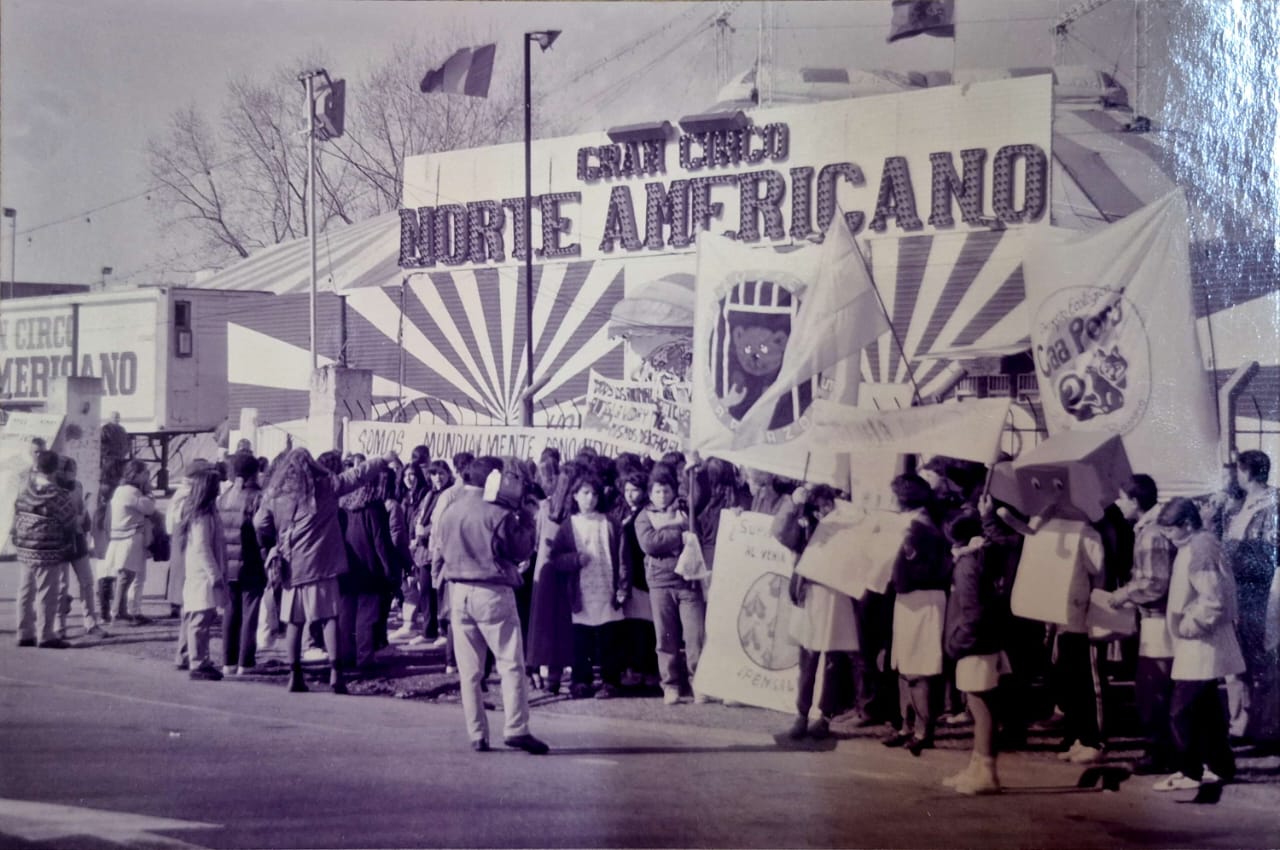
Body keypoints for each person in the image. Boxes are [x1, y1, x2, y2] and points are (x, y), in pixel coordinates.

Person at [432, 456, 548, 754]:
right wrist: (527, 519)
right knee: (510, 662)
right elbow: (520, 549)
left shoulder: (449, 510)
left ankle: (477, 734)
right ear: (494, 480)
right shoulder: (497, 512)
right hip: (492, 590)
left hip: (458, 591)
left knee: (470, 670)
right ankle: (516, 728)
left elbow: (440, 550)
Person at [254, 448, 390, 694]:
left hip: (291, 565)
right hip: (322, 564)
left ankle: (294, 675)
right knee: (329, 618)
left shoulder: (275, 494)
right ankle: (336, 673)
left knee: (294, 622)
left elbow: (259, 523)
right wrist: (382, 460)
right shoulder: (325, 488)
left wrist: (277, 535)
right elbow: (356, 476)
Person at [1153, 497, 1245, 791]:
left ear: (1187, 524)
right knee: (1206, 711)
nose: (1167, 537)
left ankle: (1189, 771)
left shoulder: (1199, 548)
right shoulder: (1197, 545)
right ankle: (1220, 766)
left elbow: (1213, 600)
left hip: (1201, 641)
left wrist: (1188, 625)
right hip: (1202, 642)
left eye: (1170, 531)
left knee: (1181, 711)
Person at [1100, 474, 1176, 774]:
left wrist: (1122, 595)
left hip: (1158, 621)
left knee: (1153, 689)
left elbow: (1155, 582)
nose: (1119, 504)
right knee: (1154, 688)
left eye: (1122, 498)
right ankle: (1163, 750)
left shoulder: (1152, 533)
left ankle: (1160, 753)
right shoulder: (1150, 529)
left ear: (1134, 500)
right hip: (1157, 619)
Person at [774, 484, 856, 740]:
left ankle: (825, 717)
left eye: (827, 505)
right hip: (808, 594)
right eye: (818, 507)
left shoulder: (847, 527)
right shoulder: (804, 524)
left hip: (836, 595)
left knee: (833, 661)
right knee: (807, 659)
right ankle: (801, 714)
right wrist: (793, 503)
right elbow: (779, 532)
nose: (823, 512)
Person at [883, 473, 952, 757]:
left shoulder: (918, 526)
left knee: (919, 669)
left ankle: (924, 731)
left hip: (923, 600)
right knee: (904, 664)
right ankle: (906, 726)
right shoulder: (913, 523)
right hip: (909, 599)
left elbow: (919, 563)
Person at [942, 510, 1007, 794]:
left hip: (974, 643)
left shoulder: (967, 565)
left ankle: (987, 772)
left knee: (981, 708)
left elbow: (972, 612)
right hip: (982, 641)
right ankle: (977, 766)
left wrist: (957, 642)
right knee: (979, 705)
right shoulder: (975, 559)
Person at [546, 473, 628, 699]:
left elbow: (622, 556)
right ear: (574, 496)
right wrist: (575, 560)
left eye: (594, 494)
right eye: (585, 493)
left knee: (608, 636)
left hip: (606, 588)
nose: (590, 498)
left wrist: (622, 586)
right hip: (581, 591)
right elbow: (556, 557)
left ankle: (610, 681)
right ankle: (581, 681)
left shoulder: (609, 522)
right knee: (581, 638)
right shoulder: (568, 525)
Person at [1220, 450, 1279, 750]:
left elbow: (1268, 553)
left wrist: (1235, 553)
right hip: (1238, 591)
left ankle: (1266, 726)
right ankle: (1240, 722)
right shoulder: (1239, 506)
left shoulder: (1273, 504)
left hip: (1258, 592)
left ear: (1245, 472)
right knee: (1235, 659)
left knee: (1260, 660)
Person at [635, 470, 705, 705]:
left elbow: (697, 533)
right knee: (666, 637)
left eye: (666, 490)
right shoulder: (644, 516)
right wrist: (678, 533)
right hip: (660, 582)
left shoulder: (686, 511)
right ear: (650, 494)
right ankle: (671, 684)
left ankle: (700, 681)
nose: (663, 495)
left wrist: (693, 471)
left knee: (695, 636)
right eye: (657, 491)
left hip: (688, 580)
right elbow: (650, 543)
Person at [12, 450, 79, 648]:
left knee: (25, 590)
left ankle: (24, 633)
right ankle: (46, 634)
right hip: (47, 548)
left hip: (25, 547)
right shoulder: (58, 495)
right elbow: (69, 521)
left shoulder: (25, 490)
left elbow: (16, 512)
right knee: (47, 593)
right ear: (55, 469)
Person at [178, 468, 229, 680]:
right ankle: (197, 662)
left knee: (202, 616)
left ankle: (196, 658)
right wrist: (215, 574)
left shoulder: (206, 511)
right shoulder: (202, 515)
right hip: (203, 574)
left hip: (202, 573)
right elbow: (202, 547)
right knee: (200, 617)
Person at [218, 453, 267, 675]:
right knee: (250, 612)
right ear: (254, 472)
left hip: (228, 563)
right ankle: (245, 662)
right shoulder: (257, 497)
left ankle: (228, 661)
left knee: (230, 612)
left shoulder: (225, 496)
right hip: (251, 560)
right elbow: (263, 529)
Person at [102, 459, 156, 625]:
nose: (147, 477)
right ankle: (118, 612)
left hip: (122, 536)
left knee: (127, 575)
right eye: (144, 473)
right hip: (130, 536)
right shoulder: (132, 492)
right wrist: (149, 492)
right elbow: (149, 508)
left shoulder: (121, 490)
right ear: (136, 474)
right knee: (126, 576)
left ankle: (122, 611)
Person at [54, 456, 102, 638]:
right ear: (61, 471)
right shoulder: (54, 490)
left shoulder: (78, 486)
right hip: (60, 541)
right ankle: (60, 625)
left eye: (74, 470)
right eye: (69, 470)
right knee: (62, 585)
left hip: (78, 539)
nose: (73, 474)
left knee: (87, 581)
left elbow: (81, 509)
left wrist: (85, 518)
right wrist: (77, 520)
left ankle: (91, 623)